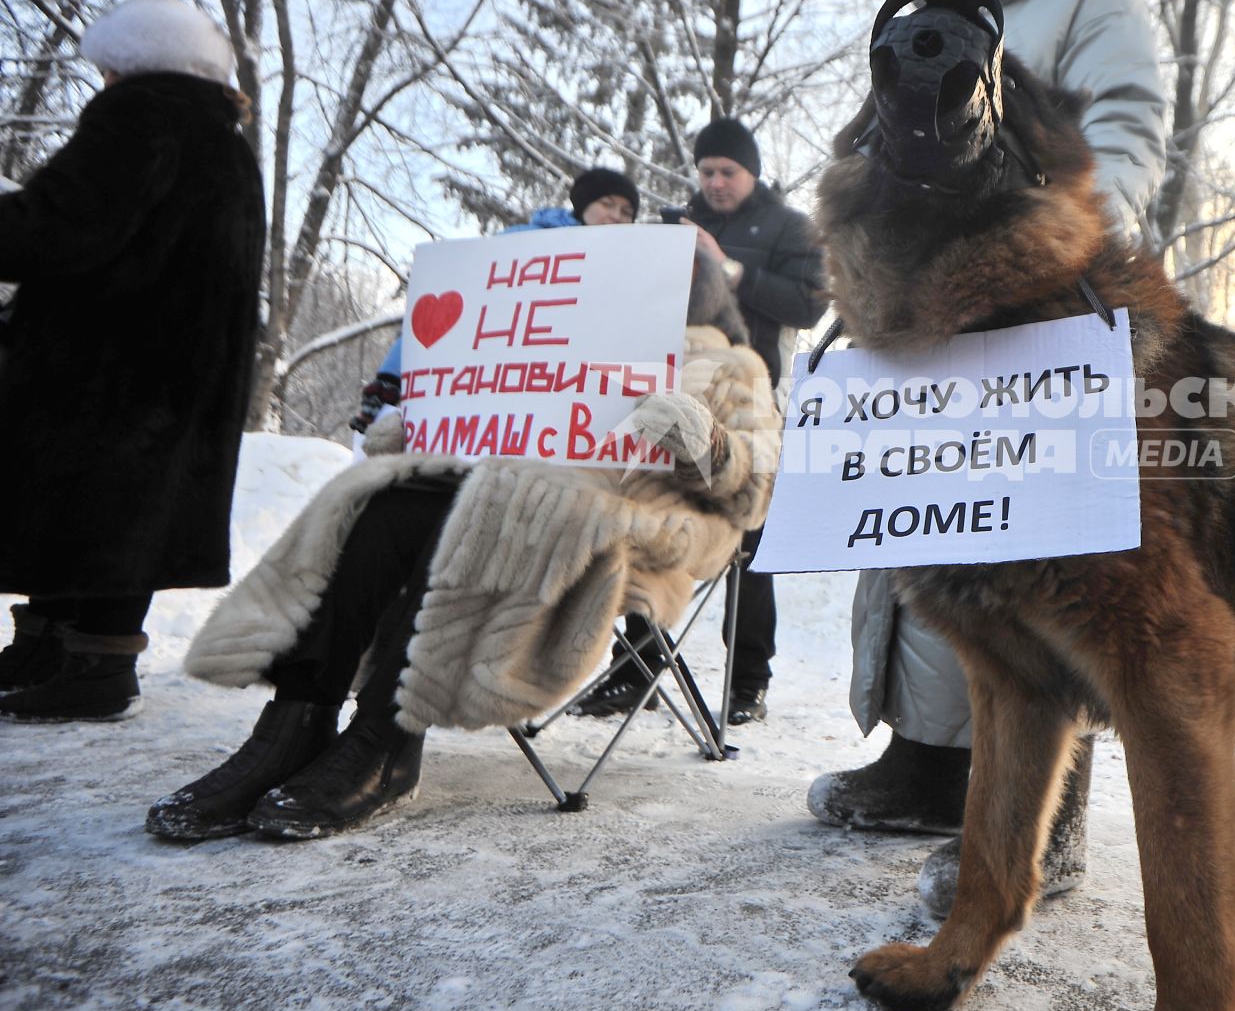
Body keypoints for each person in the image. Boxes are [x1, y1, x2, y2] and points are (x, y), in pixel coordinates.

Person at [806, 0, 1168, 913]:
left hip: (1049, 287)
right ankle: (926, 757)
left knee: (1056, 549)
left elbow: (1126, 123)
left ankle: (1047, 822)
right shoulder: (935, 19)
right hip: (930, 303)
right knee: (927, 522)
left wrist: (1089, 242)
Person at [146, 246, 776, 841]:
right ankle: (294, 724)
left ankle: (385, 739)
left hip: (634, 519)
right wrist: (424, 425)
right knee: (392, 501)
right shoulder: (566, 332)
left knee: (501, 504)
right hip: (514, 487)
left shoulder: (731, 366)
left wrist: (708, 444)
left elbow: (756, 490)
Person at [0, 0, 265, 723]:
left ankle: (85, 662)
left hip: (108, 357)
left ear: (133, 64)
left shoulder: (141, 118)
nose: (105, 83)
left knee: (85, 488)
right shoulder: (225, 141)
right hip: (181, 365)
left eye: (109, 69)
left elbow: (62, 226)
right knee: (129, 498)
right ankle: (74, 648)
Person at [582, 117, 826, 727]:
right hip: (665, 398)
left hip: (750, 402)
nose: (715, 182)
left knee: (749, 543)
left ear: (753, 173)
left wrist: (729, 269)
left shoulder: (789, 227)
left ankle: (747, 683)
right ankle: (632, 670)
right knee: (652, 521)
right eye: (707, 171)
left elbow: (812, 303)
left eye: (728, 172)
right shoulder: (672, 225)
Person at [351, 166, 642, 433]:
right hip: (496, 397)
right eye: (607, 204)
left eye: (626, 211)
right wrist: (392, 377)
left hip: (563, 407)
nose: (616, 216)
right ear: (585, 204)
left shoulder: (629, 270)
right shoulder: (521, 242)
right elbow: (444, 309)